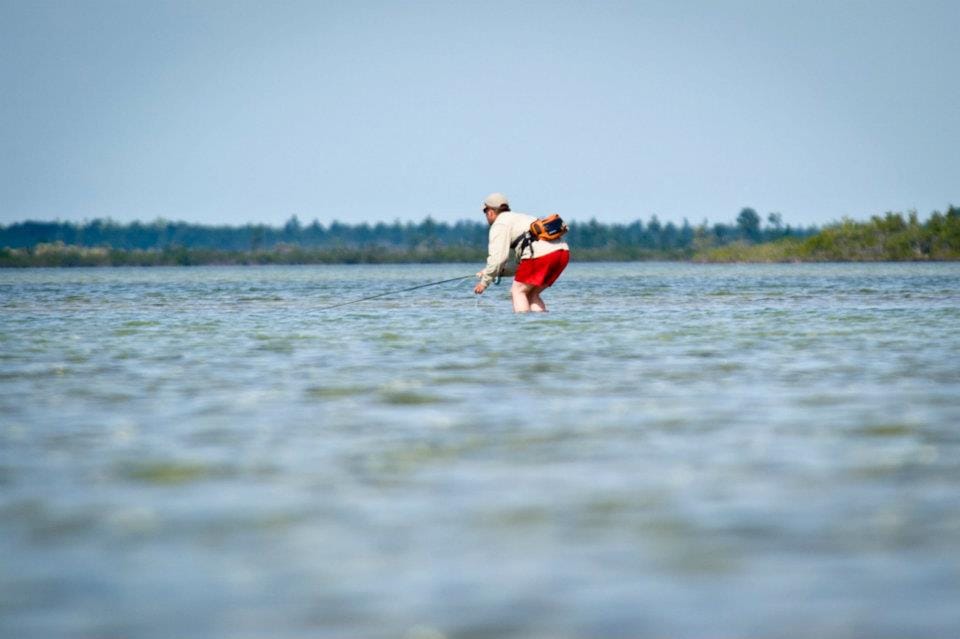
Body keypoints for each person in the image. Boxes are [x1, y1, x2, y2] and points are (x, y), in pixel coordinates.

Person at [473, 192, 570, 312]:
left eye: (485, 212)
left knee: (517, 291)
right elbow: (521, 266)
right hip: (562, 253)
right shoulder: (521, 218)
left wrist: (484, 283)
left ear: (490, 211)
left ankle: (523, 329)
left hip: (542, 256)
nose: (486, 215)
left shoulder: (499, 224)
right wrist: (492, 272)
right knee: (531, 294)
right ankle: (542, 328)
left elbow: (498, 259)